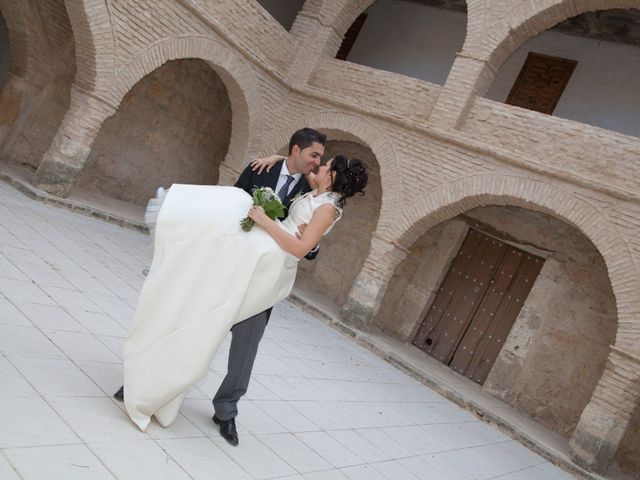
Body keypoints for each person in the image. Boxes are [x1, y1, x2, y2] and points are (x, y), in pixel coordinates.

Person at [120, 133, 368, 433]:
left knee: (245, 346)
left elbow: (307, 247)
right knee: (199, 321)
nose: (317, 164)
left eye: (323, 162)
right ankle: (154, 383)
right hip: (238, 257)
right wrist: (279, 160)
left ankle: (225, 411)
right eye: (314, 156)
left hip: (267, 268)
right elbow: (230, 206)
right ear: (297, 151)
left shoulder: (319, 194)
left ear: (333, 176)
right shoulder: (263, 169)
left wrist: (283, 230)